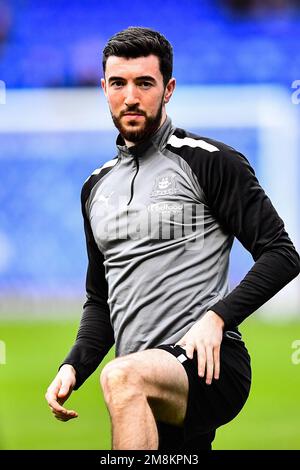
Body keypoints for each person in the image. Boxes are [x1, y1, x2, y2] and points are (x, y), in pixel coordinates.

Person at [45, 26, 300, 450]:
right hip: (142, 374)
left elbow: (282, 253)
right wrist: (73, 365)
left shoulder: (210, 162)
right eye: (119, 83)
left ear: (168, 89)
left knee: (122, 376)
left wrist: (218, 318)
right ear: (103, 87)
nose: (131, 96)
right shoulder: (95, 187)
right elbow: (100, 299)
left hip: (208, 363)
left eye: (145, 82)